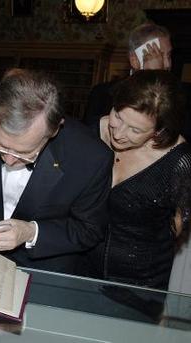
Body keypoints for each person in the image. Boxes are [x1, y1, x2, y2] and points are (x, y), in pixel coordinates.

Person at [0, 69, 113, 274]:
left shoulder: (91, 157)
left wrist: (31, 233)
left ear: (54, 130)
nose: (8, 160)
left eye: (24, 153)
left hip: (44, 271)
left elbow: (88, 230)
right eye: (0, 146)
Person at [91, 70, 191, 289]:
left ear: (159, 131)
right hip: (77, 272)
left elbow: (177, 225)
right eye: (118, 115)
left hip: (140, 286)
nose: (118, 133)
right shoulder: (90, 132)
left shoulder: (178, 162)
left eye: (136, 130)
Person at [84, 23, 172, 127]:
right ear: (135, 61)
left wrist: (155, 81)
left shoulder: (179, 96)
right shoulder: (102, 94)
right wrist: (150, 77)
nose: (167, 64)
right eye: (159, 56)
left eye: (169, 56)